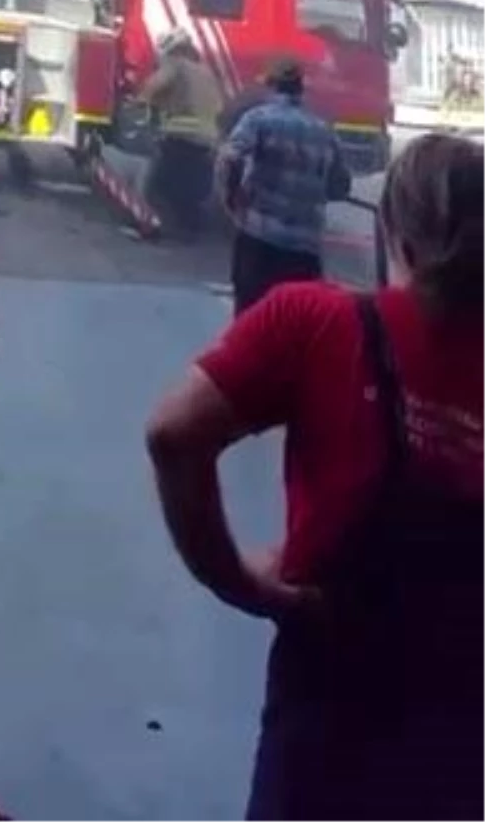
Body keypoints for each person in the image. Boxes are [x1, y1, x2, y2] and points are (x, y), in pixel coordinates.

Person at [146, 131, 485, 822]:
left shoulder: (318, 321)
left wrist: (236, 580)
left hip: (334, 693)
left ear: (394, 229)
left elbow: (173, 435)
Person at [216, 59, 351, 313]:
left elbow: (229, 158)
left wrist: (232, 199)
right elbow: (340, 186)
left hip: (259, 243)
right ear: (300, 90)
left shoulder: (257, 119)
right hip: (305, 252)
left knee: (249, 324)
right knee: (295, 328)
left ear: (271, 87)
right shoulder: (323, 129)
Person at [142, 31, 222, 238]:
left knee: (159, 186)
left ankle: (158, 227)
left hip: (180, 136)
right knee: (191, 190)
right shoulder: (206, 72)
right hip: (208, 139)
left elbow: (155, 86)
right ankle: (191, 230)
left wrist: (143, 99)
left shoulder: (176, 64)